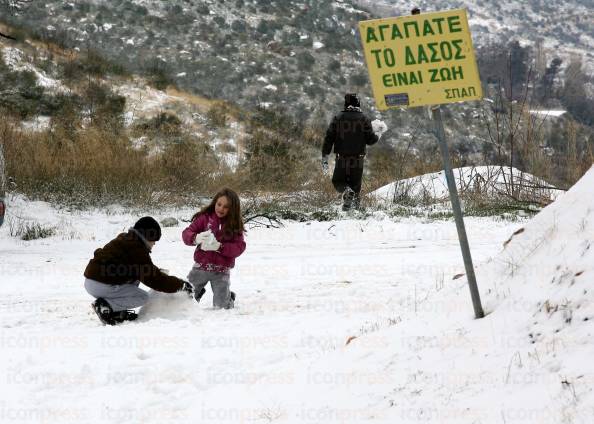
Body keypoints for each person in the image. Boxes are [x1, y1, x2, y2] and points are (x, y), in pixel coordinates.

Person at [84, 216, 193, 325]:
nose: (154, 244)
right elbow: (155, 280)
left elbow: (142, 269)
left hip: (93, 280)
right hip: (100, 284)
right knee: (142, 297)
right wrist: (180, 285)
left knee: (135, 280)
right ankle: (105, 306)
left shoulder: (127, 239)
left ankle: (117, 312)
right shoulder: (136, 249)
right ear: (146, 237)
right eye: (153, 240)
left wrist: (157, 272)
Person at [182, 188, 246, 309]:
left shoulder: (234, 225)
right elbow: (187, 233)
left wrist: (220, 247)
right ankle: (198, 292)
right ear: (214, 202)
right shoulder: (204, 218)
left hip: (221, 271)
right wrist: (196, 237)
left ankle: (228, 298)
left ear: (232, 209)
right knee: (185, 299)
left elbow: (239, 247)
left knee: (221, 307)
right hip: (201, 267)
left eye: (226, 207)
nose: (221, 209)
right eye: (219, 204)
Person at [322, 93, 379, 210]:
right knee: (356, 185)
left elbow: (329, 138)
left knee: (338, 181)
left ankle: (347, 193)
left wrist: (325, 156)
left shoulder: (338, 118)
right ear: (358, 103)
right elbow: (371, 140)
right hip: (358, 158)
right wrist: (378, 134)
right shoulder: (364, 119)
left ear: (346, 103)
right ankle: (355, 210)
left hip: (342, 157)